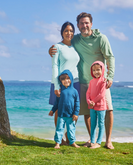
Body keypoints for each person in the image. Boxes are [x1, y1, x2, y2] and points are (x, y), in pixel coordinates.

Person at [49, 12, 115, 149]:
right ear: (78, 25)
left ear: (91, 24)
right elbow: (61, 48)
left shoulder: (100, 38)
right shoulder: (74, 40)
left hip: (99, 82)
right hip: (81, 82)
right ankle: (84, 139)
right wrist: (51, 49)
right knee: (85, 112)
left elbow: (110, 57)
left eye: (87, 23)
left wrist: (110, 76)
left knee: (107, 109)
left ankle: (108, 141)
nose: (84, 25)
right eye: (81, 23)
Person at [49, 21, 80, 144]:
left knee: (74, 110)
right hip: (61, 83)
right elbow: (55, 66)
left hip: (75, 82)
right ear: (62, 32)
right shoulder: (57, 47)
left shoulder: (74, 47)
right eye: (66, 30)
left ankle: (69, 135)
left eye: (71, 31)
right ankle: (59, 137)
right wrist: (57, 85)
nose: (69, 33)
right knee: (59, 110)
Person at [49, 70, 80, 149]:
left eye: (68, 78)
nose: (66, 81)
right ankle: (57, 143)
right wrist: (52, 110)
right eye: (63, 79)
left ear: (71, 79)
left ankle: (72, 142)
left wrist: (76, 113)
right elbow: (56, 103)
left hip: (71, 115)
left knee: (71, 129)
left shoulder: (75, 91)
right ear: (61, 81)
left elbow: (77, 103)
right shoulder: (60, 92)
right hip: (61, 115)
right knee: (59, 129)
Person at [86, 61, 107, 149]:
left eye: (98, 69)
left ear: (102, 70)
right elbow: (88, 92)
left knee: (101, 124)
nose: (96, 72)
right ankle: (92, 141)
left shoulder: (103, 81)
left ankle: (98, 142)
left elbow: (102, 94)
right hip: (92, 107)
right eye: (94, 70)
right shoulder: (91, 81)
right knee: (93, 124)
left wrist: (93, 101)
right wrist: (89, 101)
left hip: (101, 106)